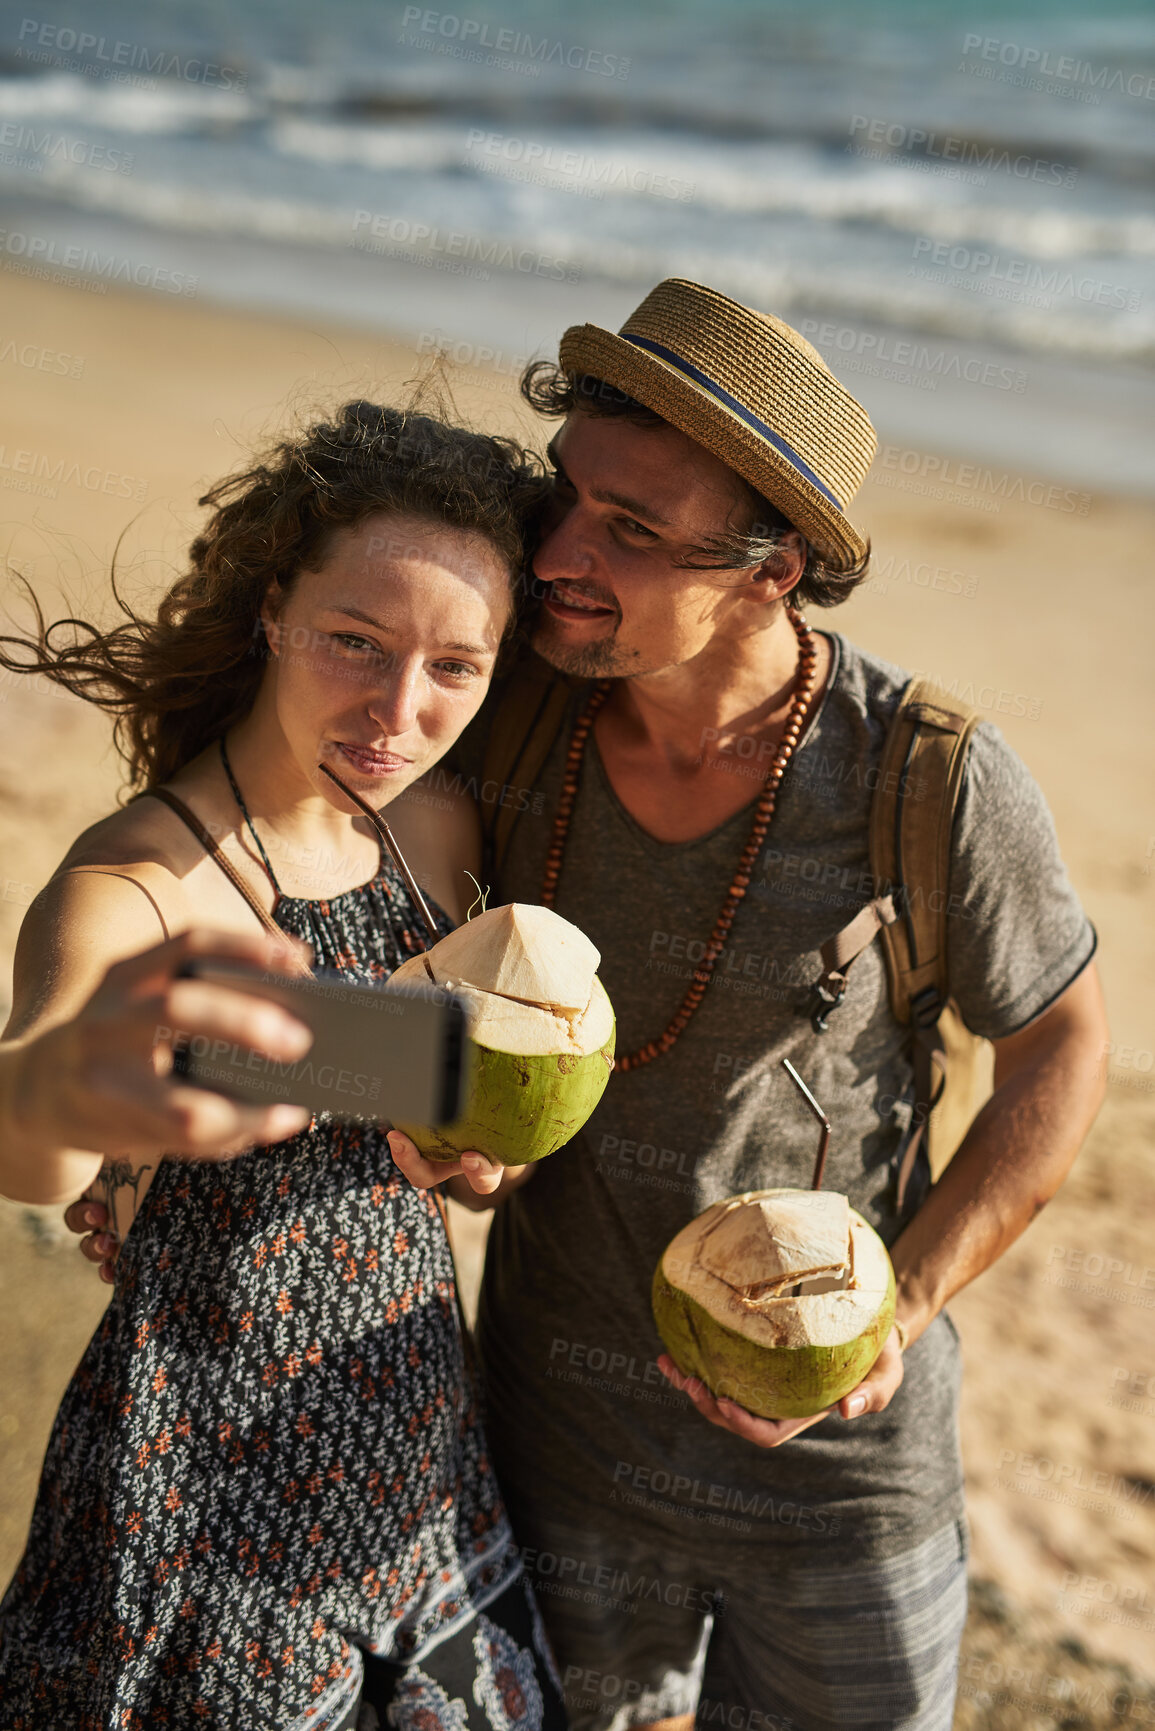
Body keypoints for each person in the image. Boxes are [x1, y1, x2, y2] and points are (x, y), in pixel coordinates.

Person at [387, 280, 1109, 1730]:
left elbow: (1064, 1044)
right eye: (569, 500)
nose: (561, 557)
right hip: (557, 1436)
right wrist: (445, 1123)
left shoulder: (927, 777)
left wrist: (902, 1307)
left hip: (843, 1478)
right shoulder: (503, 713)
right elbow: (360, 935)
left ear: (772, 570)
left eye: (634, 534)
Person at [0, 402, 566, 1729]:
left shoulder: (439, 830)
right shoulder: (138, 885)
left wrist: (478, 1156)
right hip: (200, 1492)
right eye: (354, 643)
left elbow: (461, 1138)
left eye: (454, 669)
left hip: (414, 1456)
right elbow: (31, 1127)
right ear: (271, 611)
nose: (399, 709)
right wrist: (72, 1092)